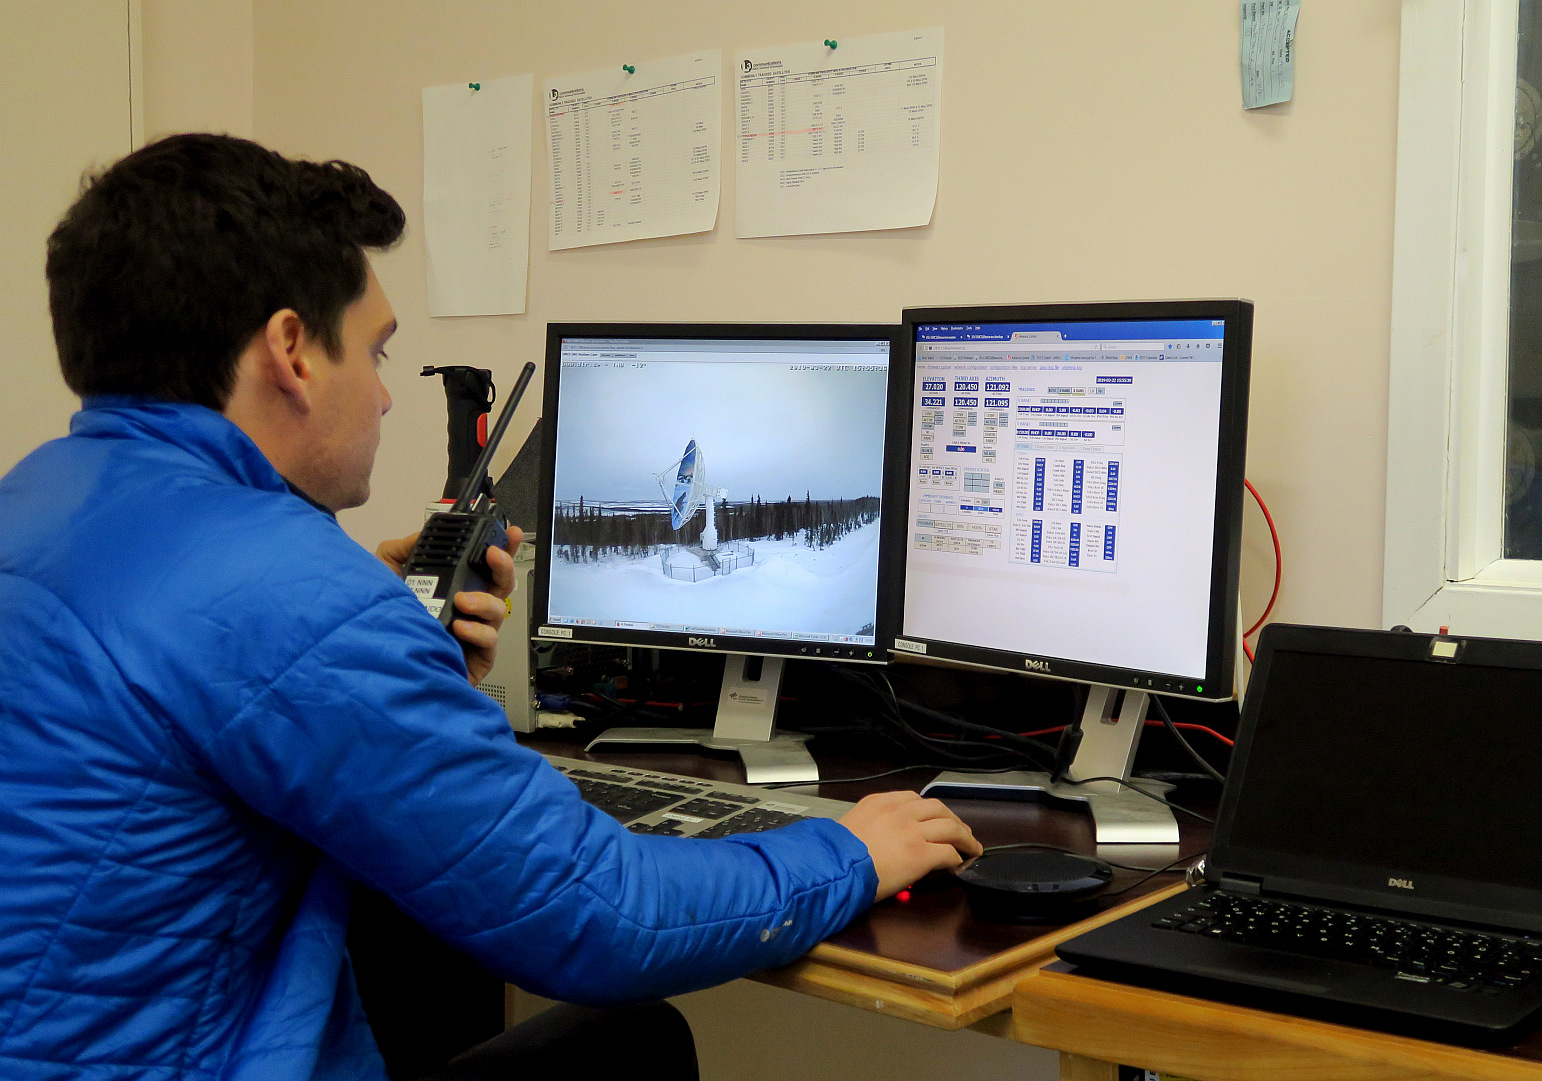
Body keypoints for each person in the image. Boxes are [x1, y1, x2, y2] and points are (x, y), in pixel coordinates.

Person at [0, 133, 980, 1081]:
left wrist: (403, 668)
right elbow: (601, 918)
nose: (384, 399)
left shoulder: (34, 504)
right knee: (634, 1042)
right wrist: (848, 849)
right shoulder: (291, 595)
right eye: (377, 353)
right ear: (292, 349)